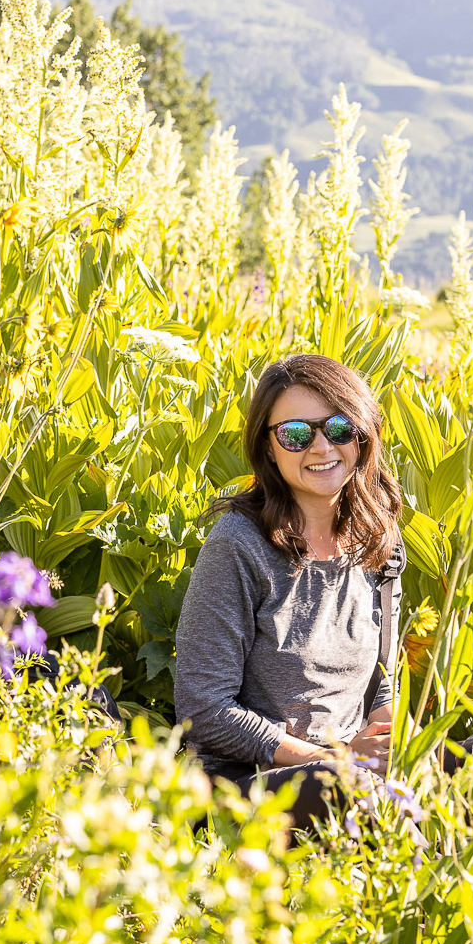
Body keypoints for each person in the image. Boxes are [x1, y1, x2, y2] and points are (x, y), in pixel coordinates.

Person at [173, 352, 405, 836]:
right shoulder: (238, 545)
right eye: (297, 434)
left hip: (351, 769)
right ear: (269, 448)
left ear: (362, 436)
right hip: (249, 782)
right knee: (360, 797)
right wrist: (336, 761)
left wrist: (388, 747)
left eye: (338, 428)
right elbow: (204, 711)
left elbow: (382, 677)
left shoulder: (377, 539)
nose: (321, 446)